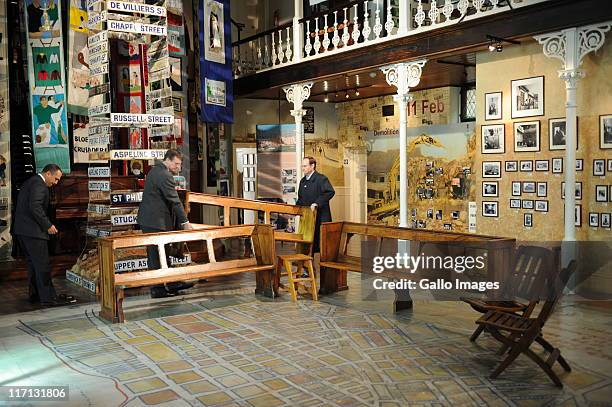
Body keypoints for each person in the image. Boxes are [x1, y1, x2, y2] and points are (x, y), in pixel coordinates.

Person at [12, 164, 76, 306]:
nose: (56, 182)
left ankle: (36, 295)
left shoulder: (31, 182)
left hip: (23, 231)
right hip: (33, 233)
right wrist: (48, 225)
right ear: (48, 173)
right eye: (56, 179)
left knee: (33, 265)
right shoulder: (39, 185)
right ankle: (48, 298)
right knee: (42, 266)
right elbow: (35, 207)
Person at [137, 149, 194, 298]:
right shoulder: (164, 174)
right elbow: (174, 201)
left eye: (180, 165)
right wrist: (185, 222)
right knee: (156, 256)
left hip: (151, 220)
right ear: (168, 160)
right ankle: (158, 289)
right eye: (176, 164)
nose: (178, 168)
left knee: (162, 254)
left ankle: (171, 283)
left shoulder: (155, 171)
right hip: (156, 222)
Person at [296, 156, 335, 259]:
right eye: (302, 166)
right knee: (307, 245)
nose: (302, 168)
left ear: (312, 166)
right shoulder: (302, 181)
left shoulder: (321, 179)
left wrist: (316, 203)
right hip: (307, 219)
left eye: (305, 166)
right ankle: (306, 269)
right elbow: (300, 199)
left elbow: (330, 192)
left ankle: (324, 270)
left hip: (321, 218)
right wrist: (294, 209)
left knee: (322, 245)